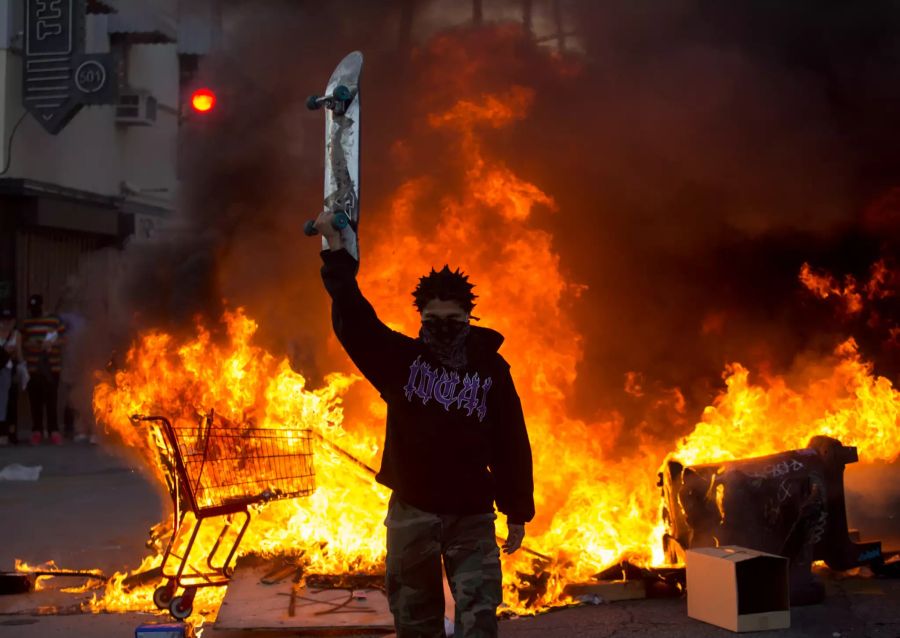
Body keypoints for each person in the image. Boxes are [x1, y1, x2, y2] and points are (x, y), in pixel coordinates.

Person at [314, 211, 535, 638]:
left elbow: (511, 441)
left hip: (471, 517)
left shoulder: (491, 371)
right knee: (415, 621)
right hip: (412, 512)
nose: (443, 329)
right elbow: (356, 322)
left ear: (469, 317)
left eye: (453, 320)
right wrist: (336, 254)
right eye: (432, 321)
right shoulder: (402, 363)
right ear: (420, 318)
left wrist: (518, 511)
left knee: (480, 617)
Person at [22, 294, 66, 445]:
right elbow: (21, 341)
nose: (34, 311)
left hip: (52, 367)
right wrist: (32, 344)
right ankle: (37, 431)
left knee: (51, 400)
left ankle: (53, 431)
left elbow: (64, 338)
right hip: (33, 368)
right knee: (35, 401)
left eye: (36, 308)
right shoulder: (26, 323)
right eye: (32, 309)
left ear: (42, 306)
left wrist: (51, 344)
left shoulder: (54, 320)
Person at [0, 307, 23, 446]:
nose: (6, 323)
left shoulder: (16, 334)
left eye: (9, 320)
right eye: (3, 320)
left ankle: (10, 432)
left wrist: (22, 367)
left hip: (10, 371)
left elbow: (19, 355)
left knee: (10, 402)